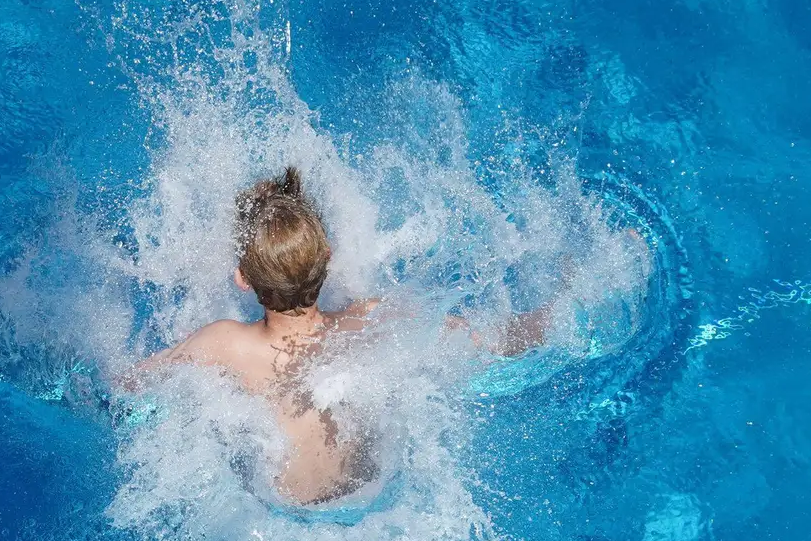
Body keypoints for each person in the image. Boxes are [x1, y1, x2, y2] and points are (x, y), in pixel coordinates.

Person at [124, 167, 603, 505]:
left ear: (242, 279)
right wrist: (562, 305)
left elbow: (128, 390)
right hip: (374, 500)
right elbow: (493, 341)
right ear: (328, 257)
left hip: (281, 512)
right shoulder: (371, 320)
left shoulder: (222, 344)